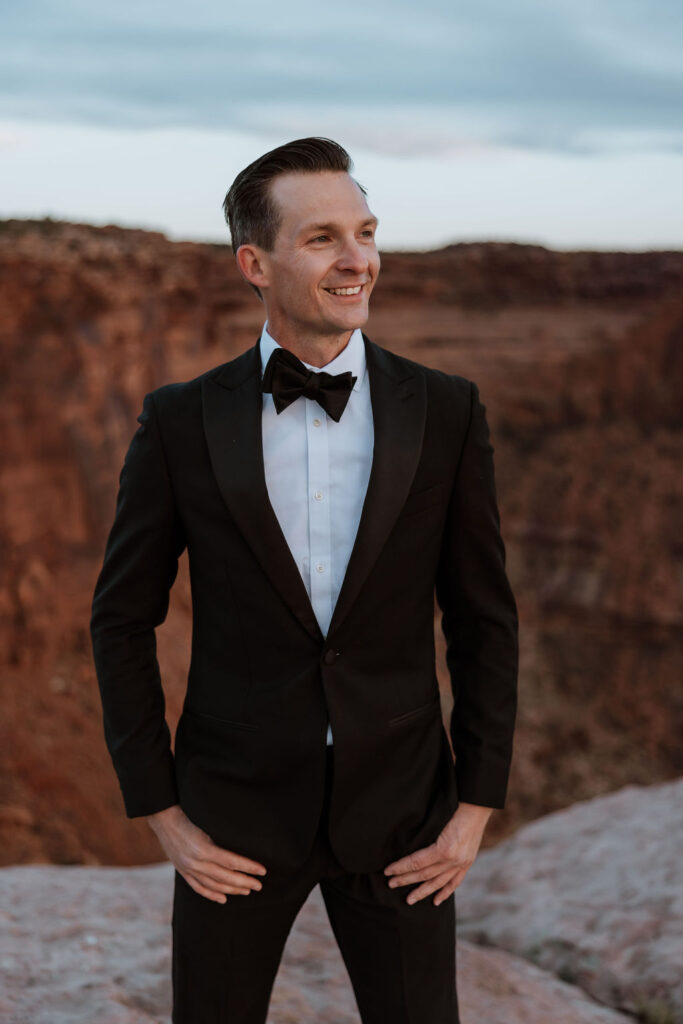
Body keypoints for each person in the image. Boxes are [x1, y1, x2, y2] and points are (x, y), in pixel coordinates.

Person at [90, 136, 518, 1024]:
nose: (358, 259)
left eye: (365, 232)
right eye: (322, 238)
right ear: (255, 262)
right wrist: (163, 813)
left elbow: (481, 618)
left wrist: (475, 805)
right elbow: (120, 618)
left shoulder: (444, 409)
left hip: (404, 820)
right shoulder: (179, 421)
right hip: (231, 821)